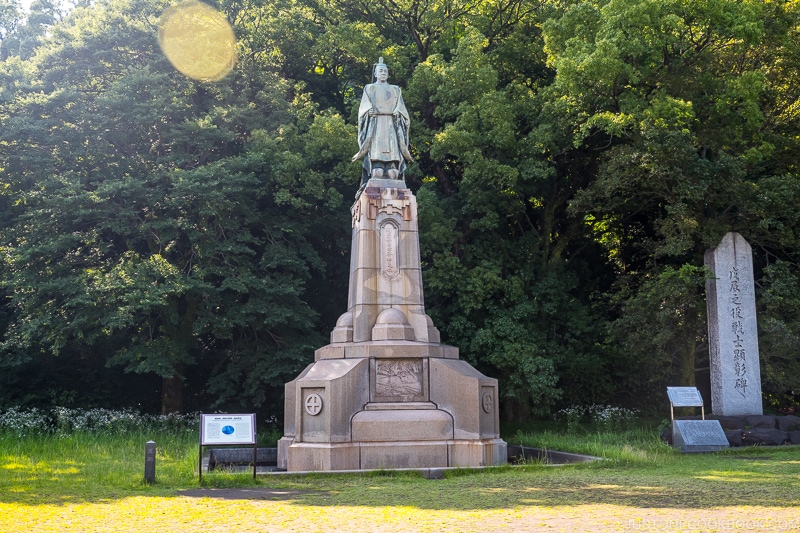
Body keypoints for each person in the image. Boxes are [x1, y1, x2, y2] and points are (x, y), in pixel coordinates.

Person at [352, 58, 413, 188]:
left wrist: (398, 112)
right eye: (380, 71)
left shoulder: (396, 89)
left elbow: (401, 107)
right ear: (375, 74)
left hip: (391, 124)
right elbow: (364, 107)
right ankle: (376, 165)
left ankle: (392, 165)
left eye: (385, 71)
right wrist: (369, 111)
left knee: (393, 172)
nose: (383, 73)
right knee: (377, 172)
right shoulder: (369, 88)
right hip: (376, 125)